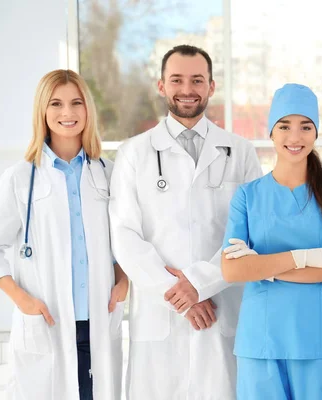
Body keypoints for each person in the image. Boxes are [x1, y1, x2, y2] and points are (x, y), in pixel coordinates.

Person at [109, 44, 262, 399]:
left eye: (197, 80)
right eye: (176, 79)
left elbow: (252, 232)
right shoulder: (134, 152)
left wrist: (201, 284)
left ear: (211, 86)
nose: (187, 89)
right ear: (161, 85)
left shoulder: (240, 152)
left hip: (222, 306)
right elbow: (124, 234)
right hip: (162, 312)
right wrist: (181, 295)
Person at [0, 69, 127, 400]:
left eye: (76, 103)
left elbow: (123, 242)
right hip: (46, 321)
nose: (68, 113)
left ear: (88, 109)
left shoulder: (109, 173)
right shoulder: (20, 178)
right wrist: (22, 300)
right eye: (56, 103)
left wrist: (124, 281)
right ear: (42, 112)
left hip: (98, 324)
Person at [221, 83, 322, 399]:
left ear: (315, 134)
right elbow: (231, 271)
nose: (294, 137)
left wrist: (260, 266)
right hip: (262, 339)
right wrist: (307, 257)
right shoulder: (247, 195)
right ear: (271, 132)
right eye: (284, 126)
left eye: (305, 127)